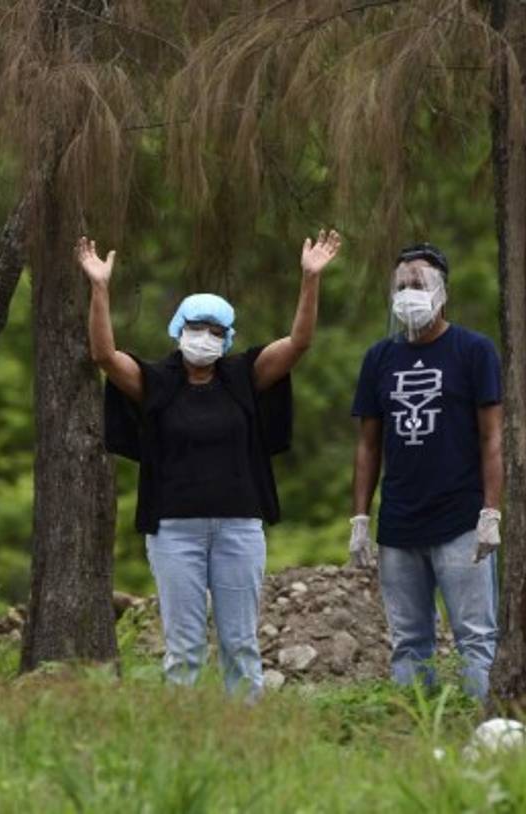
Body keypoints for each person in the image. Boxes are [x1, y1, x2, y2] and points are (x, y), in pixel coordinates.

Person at [90, 230, 342, 697]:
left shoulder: (244, 376)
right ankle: (184, 742)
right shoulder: (157, 382)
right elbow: (105, 355)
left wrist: (310, 279)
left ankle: (243, 736)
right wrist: (100, 288)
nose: (203, 338)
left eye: (215, 330)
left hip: (238, 529)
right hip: (174, 533)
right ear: (177, 330)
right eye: (196, 327)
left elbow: (299, 344)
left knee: (241, 644)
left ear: (227, 338)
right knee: (184, 648)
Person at [348, 243, 503, 699]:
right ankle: (415, 729)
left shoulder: (473, 351)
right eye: (400, 286)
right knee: (408, 643)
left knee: (476, 638)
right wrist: (360, 518)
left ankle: (485, 728)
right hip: (398, 526)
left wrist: (491, 512)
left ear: (442, 292)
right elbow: (368, 443)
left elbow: (493, 436)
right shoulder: (379, 359)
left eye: (418, 284)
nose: (408, 293)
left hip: (460, 521)